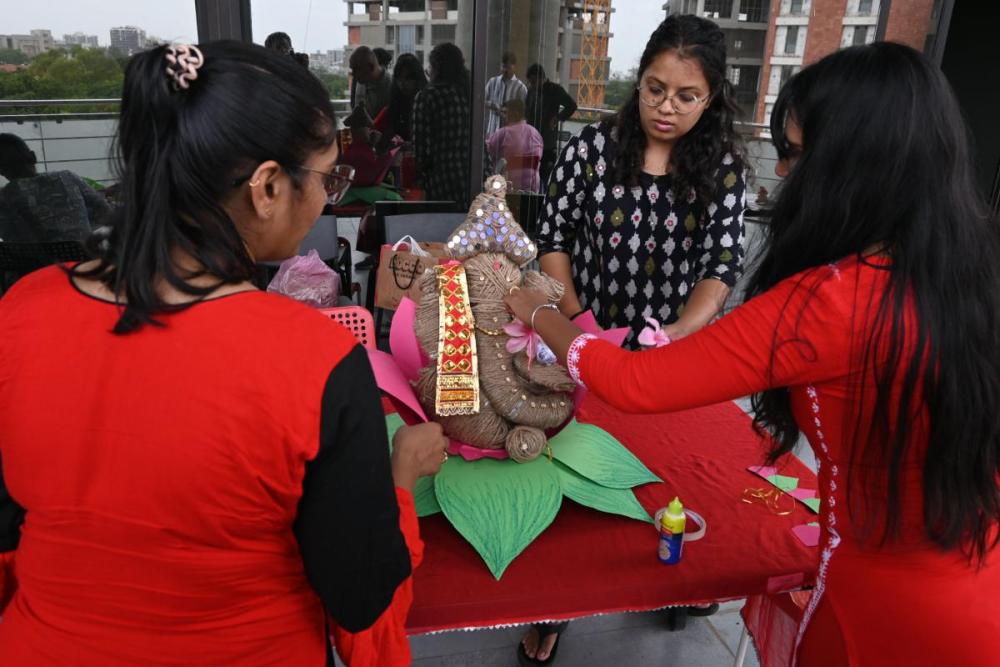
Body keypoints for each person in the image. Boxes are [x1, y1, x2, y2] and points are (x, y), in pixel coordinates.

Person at [506, 41, 1000, 667]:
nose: (786, 174)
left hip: (883, 609)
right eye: (654, 89)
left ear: (855, 162)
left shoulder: (831, 300)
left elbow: (633, 382)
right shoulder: (972, 272)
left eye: (795, 154)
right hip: (981, 582)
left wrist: (539, 313)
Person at [0, 41, 450, 666]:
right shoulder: (312, 360)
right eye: (326, 178)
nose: (327, 197)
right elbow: (361, 593)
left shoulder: (21, 309)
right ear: (267, 187)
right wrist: (401, 474)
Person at [516, 15, 746, 662]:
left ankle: (675, 577)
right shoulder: (592, 149)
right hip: (584, 337)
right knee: (573, 472)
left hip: (674, 352)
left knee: (672, 472)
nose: (665, 107)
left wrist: (675, 332)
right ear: (638, 80)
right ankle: (553, 605)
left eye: (685, 96)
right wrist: (578, 321)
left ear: (712, 98)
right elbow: (554, 238)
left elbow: (719, 270)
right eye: (653, 88)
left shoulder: (722, 168)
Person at [0, 133, 112, 243]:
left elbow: (10, 238)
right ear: (33, 156)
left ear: (1, 171)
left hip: (38, 261)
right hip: (84, 256)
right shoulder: (66, 177)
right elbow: (106, 212)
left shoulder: (4, 197)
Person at [412, 42, 471, 206]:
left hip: (444, 183)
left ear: (436, 68)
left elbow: (421, 152)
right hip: (477, 179)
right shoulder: (470, 93)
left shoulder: (427, 97)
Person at [524, 63, 577, 186]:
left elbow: (572, 106)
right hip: (531, 140)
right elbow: (527, 110)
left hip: (547, 141)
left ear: (540, 77)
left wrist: (558, 118)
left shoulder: (555, 89)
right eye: (530, 82)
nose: (531, 85)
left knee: (546, 176)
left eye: (533, 81)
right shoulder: (531, 90)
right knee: (530, 177)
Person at [486, 97, 543, 192]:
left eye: (505, 113)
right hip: (532, 190)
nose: (503, 116)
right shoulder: (536, 134)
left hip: (508, 189)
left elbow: (487, 152)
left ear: (515, 114)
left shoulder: (503, 133)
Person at [484, 51, 527, 137]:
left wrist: (508, 111)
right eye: (503, 66)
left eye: (508, 67)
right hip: (493, 131)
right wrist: (493, 105)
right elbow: (482, 101)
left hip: (511, 134)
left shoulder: (520, 87)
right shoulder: (492, 82)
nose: (505, 70)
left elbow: (523, 112)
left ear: (514, 67)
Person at [350, 45, 392, 118]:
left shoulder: (392, 86)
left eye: (357, 69)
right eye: (352, 69)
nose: (353, 74)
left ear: (370, 67)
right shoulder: (361, 82)